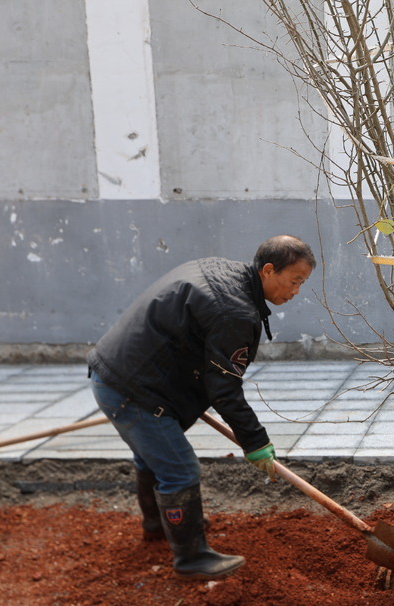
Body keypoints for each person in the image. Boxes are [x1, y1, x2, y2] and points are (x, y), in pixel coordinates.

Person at [86, 235, 316, 580]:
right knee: (180, 471)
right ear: (268, 270)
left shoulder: (222, 270)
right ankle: (191, 559)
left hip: (116, 373)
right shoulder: (235, 312)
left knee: (154, 457)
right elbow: (223, 386)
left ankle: (157, 525)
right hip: (133, 391)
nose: (296, 291)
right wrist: (255, 443)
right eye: (295, 281)